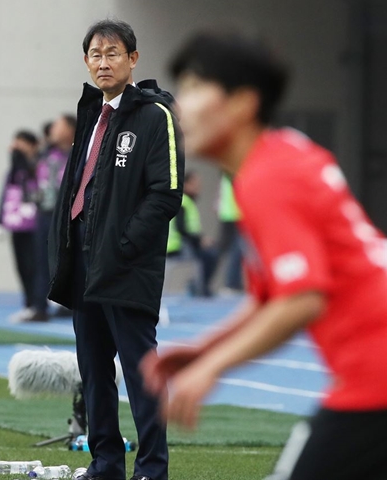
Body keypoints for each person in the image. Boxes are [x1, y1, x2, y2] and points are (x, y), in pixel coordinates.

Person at [140, 30, 387, 480]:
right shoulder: (284, 153)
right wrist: (203, 349)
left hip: (376, 379)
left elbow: (303, 299)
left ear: (242, 103)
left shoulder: (266, 178)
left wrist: (212, 369)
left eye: (195, 88)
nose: (181, 105)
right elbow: (271, 298)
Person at [48, 19, 184, 480]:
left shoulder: (155, 115)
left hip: (127, 265)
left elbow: (166, 193)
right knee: (93, 370)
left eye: (113, 53)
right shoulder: (90, 112)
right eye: (95, 54)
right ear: (86, 61)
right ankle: (105, 462)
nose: (103, 62)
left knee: (140, 370)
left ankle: (151, 468)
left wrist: (125, 245)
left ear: (133, 59)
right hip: (83, 261)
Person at [21, 114, 76, 322]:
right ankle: (39, 306)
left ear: (70, 129)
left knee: (68, 259)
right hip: (45, 212)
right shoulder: (46, 154)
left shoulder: (77, 152)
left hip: (68, 212)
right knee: (40, 259)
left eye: (58, 126)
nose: (53, 129)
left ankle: (68, 303)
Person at [0, 130, 40, 321]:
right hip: (17, 224)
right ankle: (29, 302)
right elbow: (5, 194)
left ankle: (38, 303)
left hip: (35, 225)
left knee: (35, 266)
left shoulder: (40, 165)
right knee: (21, 265)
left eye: (21, 143)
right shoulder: (14, 170)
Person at [166, 170, 217, 297]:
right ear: (187, 184)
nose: (198, 187)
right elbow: (181, 228)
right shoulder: (182, 202)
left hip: (184, 244)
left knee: (211, 251)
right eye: (195, 184)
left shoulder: (188, 202)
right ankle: (199, 288)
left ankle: (197, 286)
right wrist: (200, 241)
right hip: (177, 246)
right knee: (210, 254)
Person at [215, 173, 244, 293]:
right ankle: (232, 283)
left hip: (227, 215)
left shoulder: (225, 177)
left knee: (226, 249)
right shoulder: (233, 175)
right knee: (236, 250)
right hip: (235, 215)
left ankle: (231, 283)